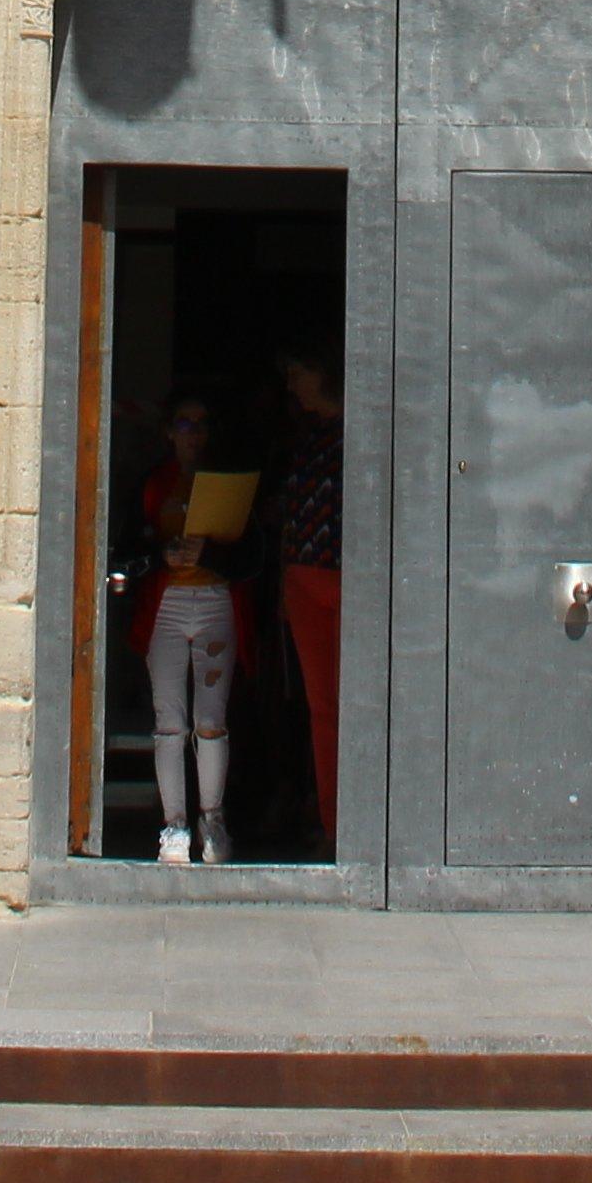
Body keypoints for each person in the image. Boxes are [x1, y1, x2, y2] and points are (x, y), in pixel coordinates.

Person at [117, 392, 244, 863]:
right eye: (184, 424)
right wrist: (160, 556)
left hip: (214, 601)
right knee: (169, 723)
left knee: (211, 721)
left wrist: (206, 555)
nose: (193, 434)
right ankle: (174, 827)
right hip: (166, 604)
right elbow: (128, 547)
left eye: (202, 424)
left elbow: (248, 555)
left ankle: (213, 821)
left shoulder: (227, 482)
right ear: (170, 433)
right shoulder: (153, 484)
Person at [268, 346, 344, 832]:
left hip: (352, 581)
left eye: (300, 370)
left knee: (357, 702)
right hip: (303, 580)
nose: (292, 382)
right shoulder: (302, 436)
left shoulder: (363, 427)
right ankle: (331, 826)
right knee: (321, 710)